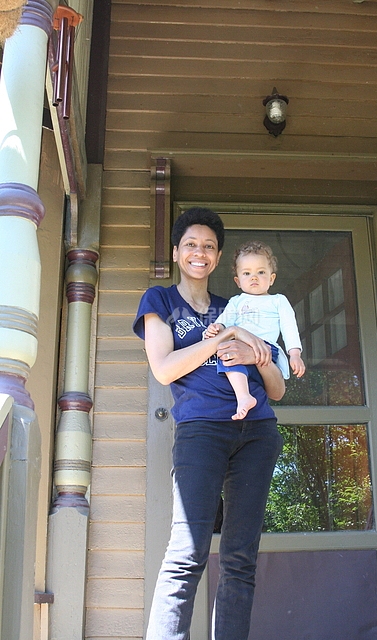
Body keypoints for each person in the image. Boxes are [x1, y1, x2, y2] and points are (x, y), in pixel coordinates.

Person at [133, 207, 285, 640]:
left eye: (210, 247)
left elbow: (270, 380)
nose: (200, 253)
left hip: (256, 431)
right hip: (201, 431)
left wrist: (261, 352)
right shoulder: (160, 301)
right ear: (178, 251)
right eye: (192, 245)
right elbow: (164, 369)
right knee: (187, 552)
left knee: (240, 557)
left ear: (218, 258)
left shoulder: (235, 306)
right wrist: (223, 337)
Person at [204, 240, 305, 420]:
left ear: (271, 278)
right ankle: (244, 396)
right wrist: (214, 329)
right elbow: (224, 322)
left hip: (267, 347)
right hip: (239, 347)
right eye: (247, 273)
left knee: (231, 352)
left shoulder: (278, 301)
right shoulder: (236, 301)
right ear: (238, 281)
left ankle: (245, 395)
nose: (254, 277)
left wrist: (295, 354)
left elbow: (289, 327)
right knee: (226, 355)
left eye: (261, 272)